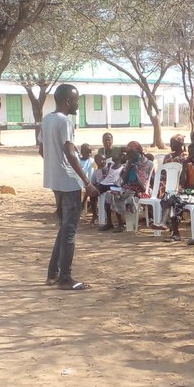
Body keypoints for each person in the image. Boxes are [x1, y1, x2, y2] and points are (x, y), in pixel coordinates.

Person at [40, 82, 96, 289]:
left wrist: (53, 165)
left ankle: (53, 274)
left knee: (63, 229)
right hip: (69, 182)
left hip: (54, 181)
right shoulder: (65, 122)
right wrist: (87, 182)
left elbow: (41, 150)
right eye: (76, 100)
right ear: (67, 100)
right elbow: (71, 153)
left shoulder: (46, 120)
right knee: (69, 231)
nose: (78, 105)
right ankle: (65, 278)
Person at [109, 141, 153, 229]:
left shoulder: (148, 164)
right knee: (112, 193)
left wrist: (135, 167)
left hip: (141, 188)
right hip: (128, 187)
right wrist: (129, 167)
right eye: (128, 153)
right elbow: (123, 179)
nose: (128, 155)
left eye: (131, 152)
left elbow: (147, 181)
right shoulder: (129, 163)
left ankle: (130, 225)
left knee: (129, 196)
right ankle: (120, 223)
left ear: (138, 152)